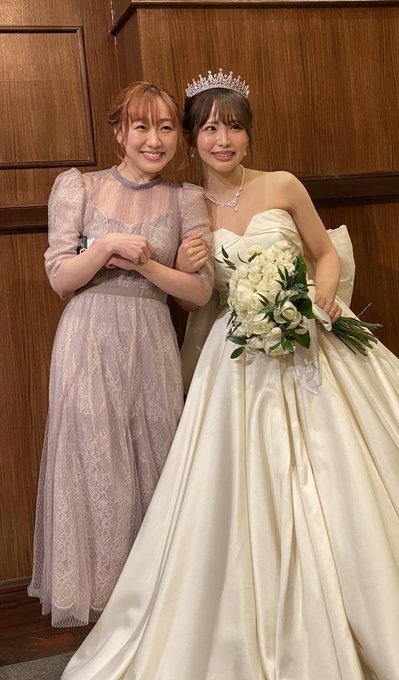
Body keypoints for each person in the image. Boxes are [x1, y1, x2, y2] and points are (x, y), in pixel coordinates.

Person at [62, 71, 399, 679]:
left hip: (313, 337)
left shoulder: (281, 184)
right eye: (210, 128)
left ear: (249, 133)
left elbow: (324, 254)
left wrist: (321, 297)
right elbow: (196, 291)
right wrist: (187, 264)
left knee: (357, 470)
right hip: (238, 358)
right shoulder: (187, 204)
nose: (224, 140)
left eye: (235, 128)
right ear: (192, 138)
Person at [28, 81, 213, 628]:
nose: (154, 140)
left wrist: (149, 265)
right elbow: (61, 277)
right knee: (94, 463)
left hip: (152, 338)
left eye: (165, 128)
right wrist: (107, 245)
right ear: (119, 133)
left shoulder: (186, 199)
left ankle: (153, 605)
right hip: (87, 338)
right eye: (141, 127)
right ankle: (105, 612)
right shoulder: (79, 188)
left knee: (156, 460)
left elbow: (198, 293)